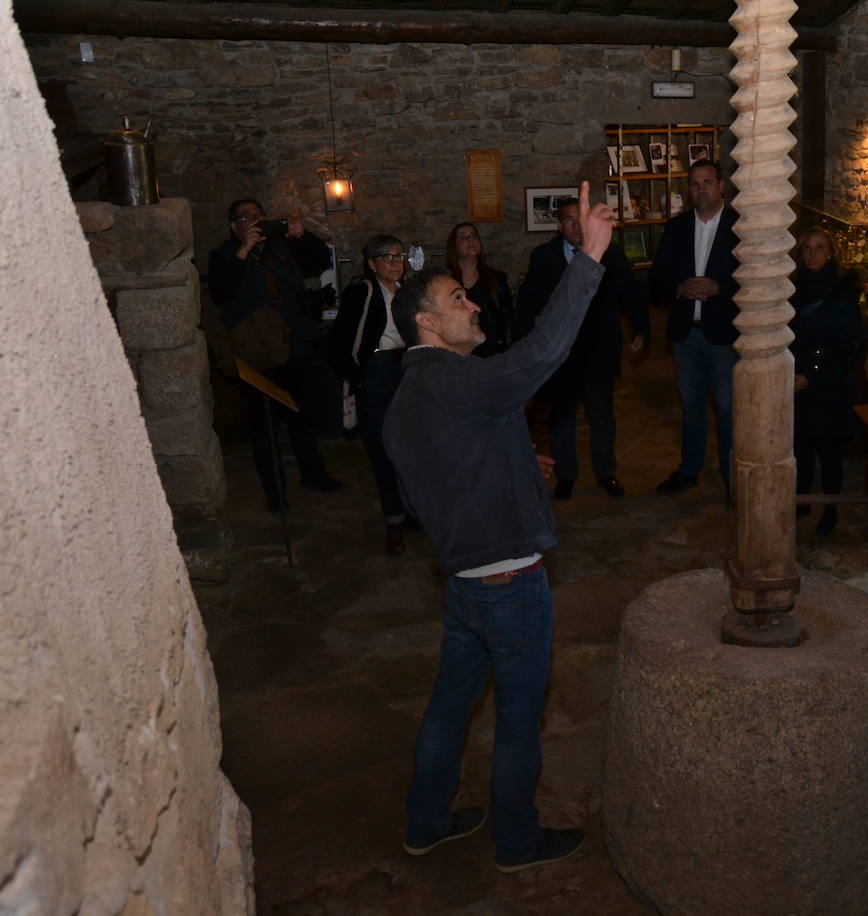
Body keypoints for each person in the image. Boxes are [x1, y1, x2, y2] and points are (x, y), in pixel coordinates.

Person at [383, 181, 612, 873]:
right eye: (457, 299)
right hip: (509, 583)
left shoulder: (405, 401)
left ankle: (425, 822)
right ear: (426, 322)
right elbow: (539, 355)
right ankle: (517, 842)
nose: (472, 304)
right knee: (518, 722)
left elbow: (438, 488)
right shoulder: (461, 380)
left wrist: (516, 461)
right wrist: (588, 262)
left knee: (450, 707)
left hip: (461, 580)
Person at [209, 198, 341, 511]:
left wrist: (302, 234)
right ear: (233, 227)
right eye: (244, 217)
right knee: (264, 427)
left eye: (257, 216)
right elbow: (221, 293)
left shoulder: (282, 249)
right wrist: (242, 251)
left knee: (303, 417)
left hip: (294, 346)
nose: (252, 221)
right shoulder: (224, 255)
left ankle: (314, 474)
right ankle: (276, 494)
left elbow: (320, 260)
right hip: (257, 353)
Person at [518, 198, 649, 500]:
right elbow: (529, 303)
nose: (576, 226)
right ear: (559, 225)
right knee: (561, 417)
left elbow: (631, 293)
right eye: (568, 220)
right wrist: (527, 345)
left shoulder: (611, 254)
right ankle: (566, 476)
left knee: (601, 414)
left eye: (580, 218)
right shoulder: (544, 257)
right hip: (560, 355)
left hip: (599, 349)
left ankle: (606, 472)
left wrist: (641, 328)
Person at [649, 160, 740, 496]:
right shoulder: (676, 228)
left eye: (706, 182)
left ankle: (732, 477)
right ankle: (689, 469)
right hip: (687, 335)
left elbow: (755, 283)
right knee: (690, 405)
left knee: (728, 409)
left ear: (721, 187)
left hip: (723, 336)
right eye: (694, 183)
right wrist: (679, 288)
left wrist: (720, 289)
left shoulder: (739, 228)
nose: (700, 189)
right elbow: (656, 279)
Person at [327, 234, 411, 555]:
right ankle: (394, 524)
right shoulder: (363, 291)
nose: (394, 263)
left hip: (405, 373)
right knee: (383, 451)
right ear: (372, 263)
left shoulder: (406, 293)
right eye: (387, 257)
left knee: (409, 449)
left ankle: (412, 512)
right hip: (377, 374)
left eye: (398, 256)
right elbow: (339, 343)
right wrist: (359, 378)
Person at [789, 227, 861, 536]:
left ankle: (830, 509)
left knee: (828, 451)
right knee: (800, 445)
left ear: (830, 252)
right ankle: (800, 500)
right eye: (807, 248)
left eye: (819, 248)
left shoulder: (841, 292)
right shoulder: (794, 288)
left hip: (827, 382)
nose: (812, 254)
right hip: (796, 378)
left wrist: (811, 375)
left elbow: (846, 346)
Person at [446, 221, 517, 358]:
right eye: (463, 237)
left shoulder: (497, 279)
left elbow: (508, 318)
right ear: (454, 246)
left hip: (494, 354)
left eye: (473, 235)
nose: (470, 239)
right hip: (459, 357)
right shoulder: (447, 283)